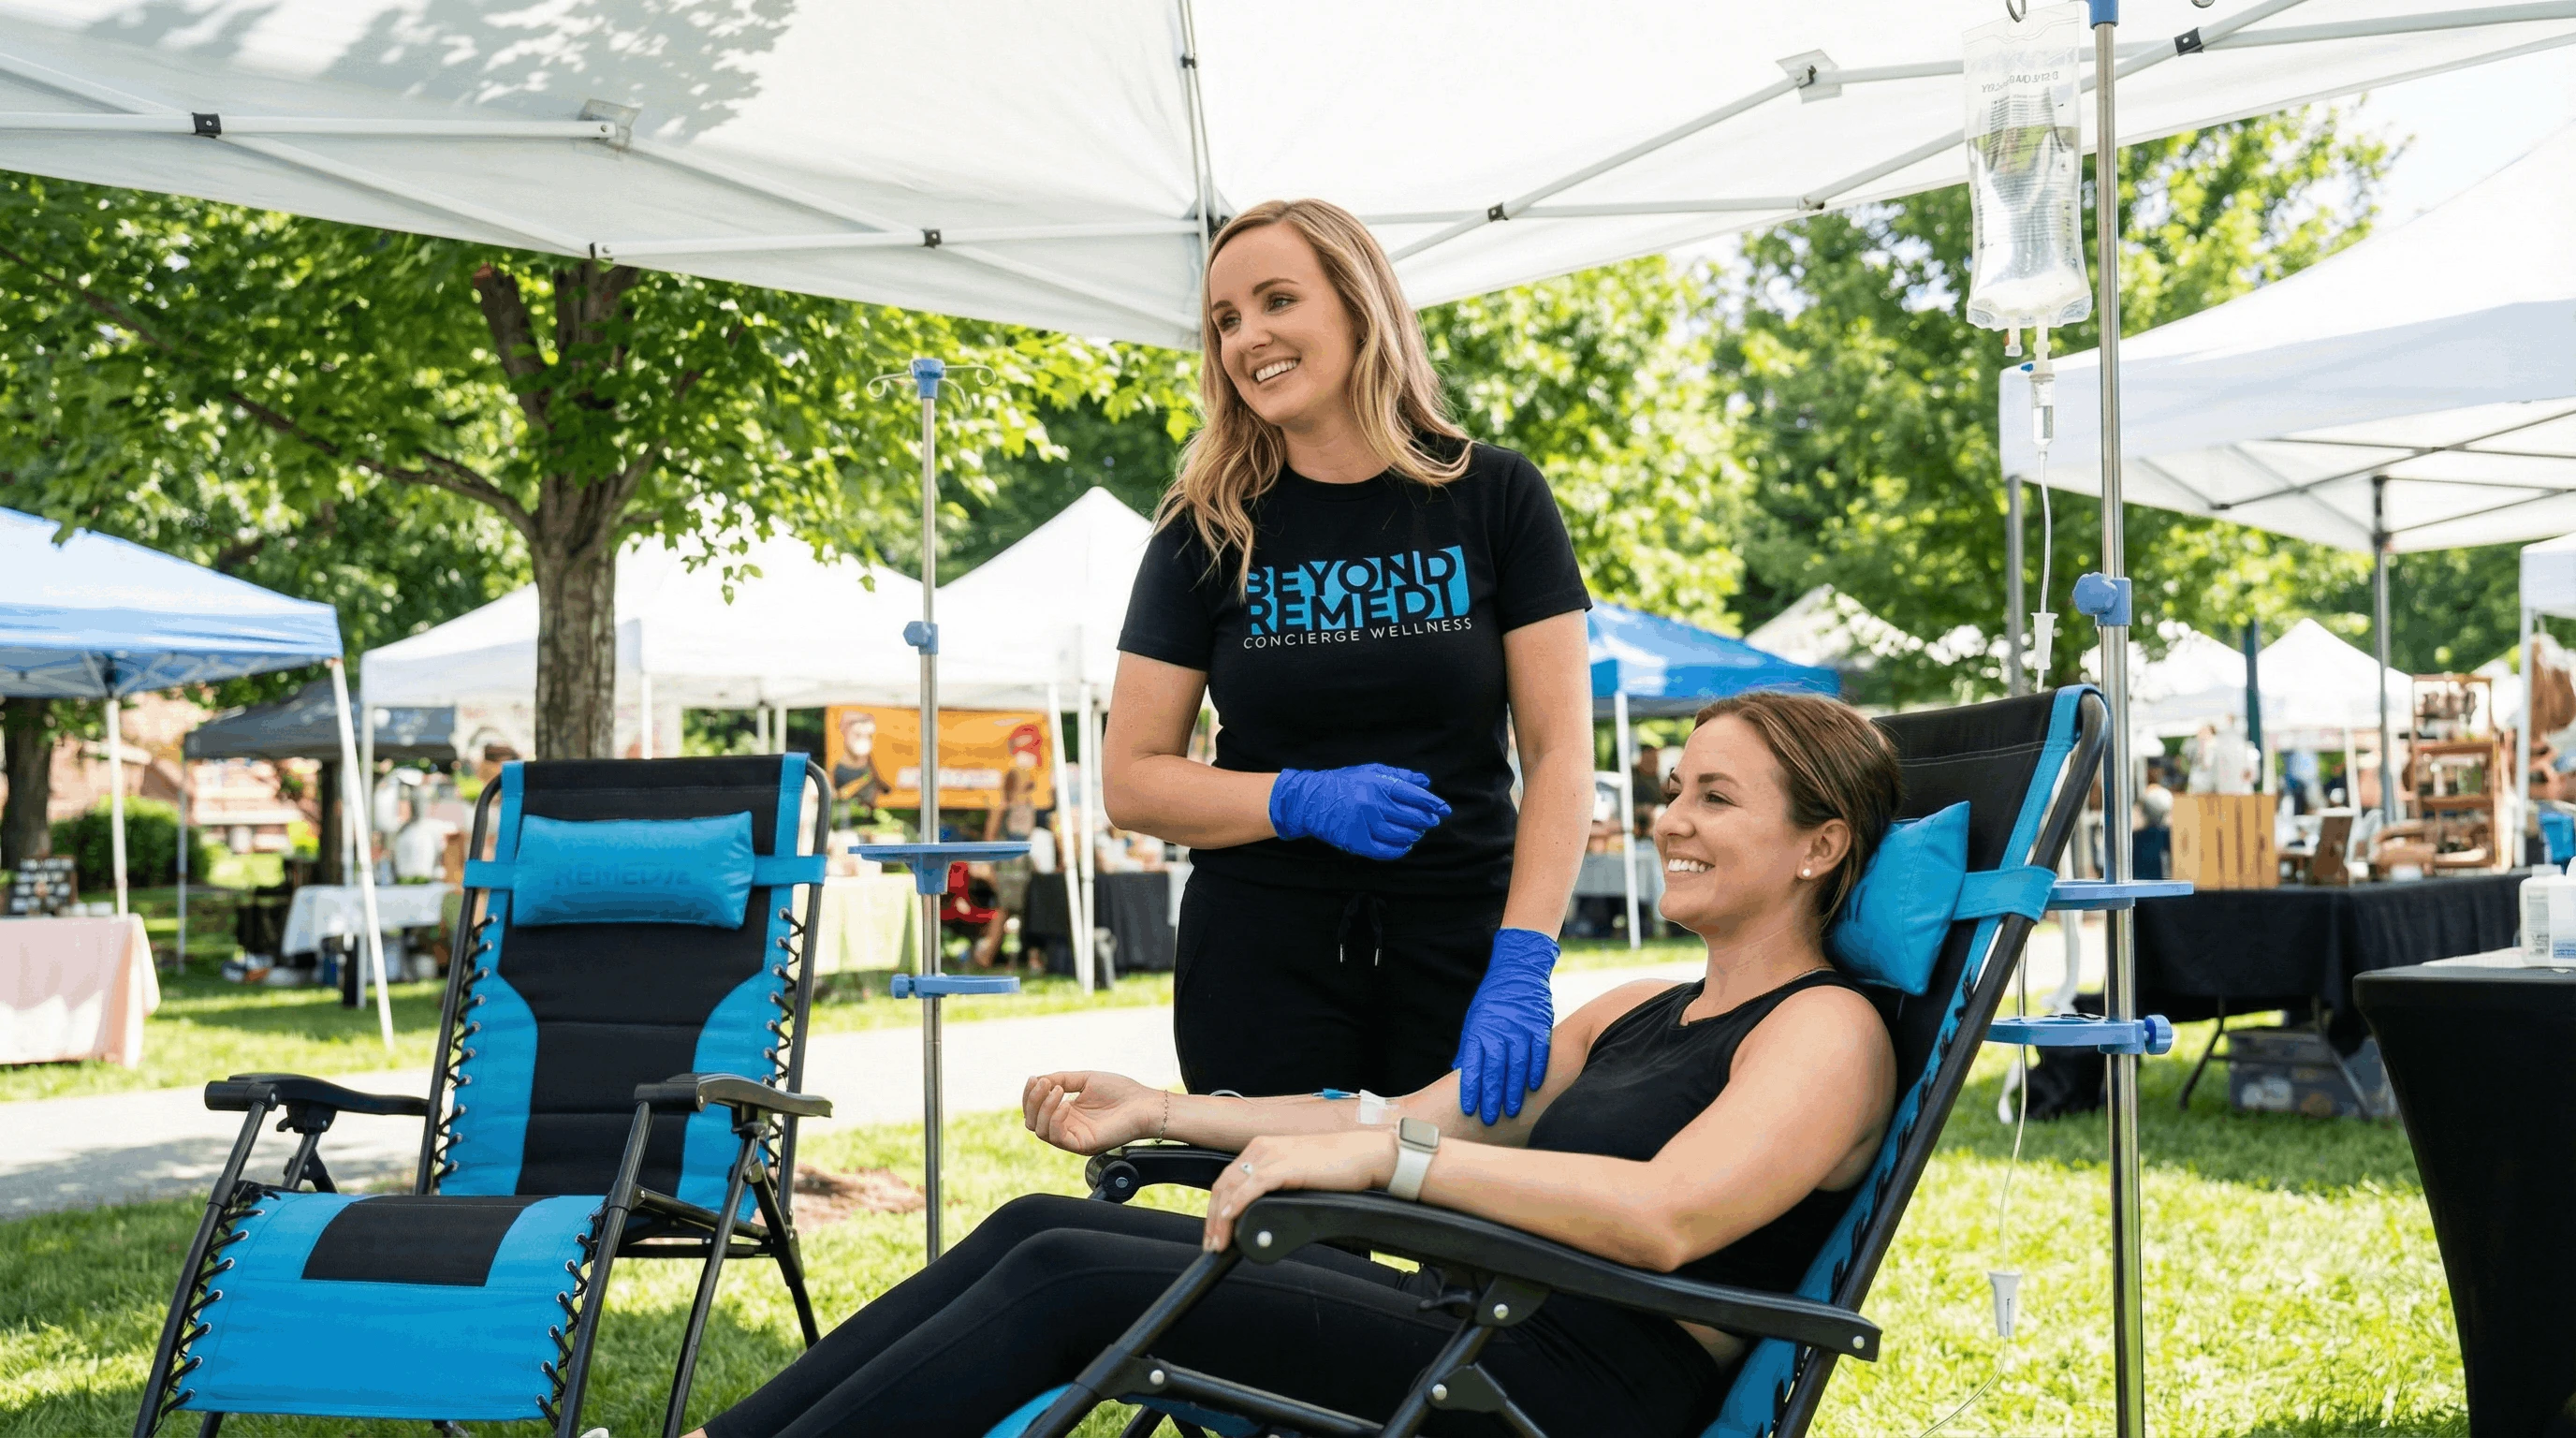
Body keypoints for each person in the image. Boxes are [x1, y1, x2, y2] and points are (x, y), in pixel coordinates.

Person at [685, 691, 1901, 1438]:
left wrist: (1402, 1167)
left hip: (1564, 1389)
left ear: (1820, 846)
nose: (1672, 820)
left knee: (1066, 1279)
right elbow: (1396, 1113)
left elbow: (1668, 1219)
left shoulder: (1826, 1031)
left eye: (1717, 800)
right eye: (1675, 789)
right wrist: (1159, 1107)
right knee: (1034, 1228)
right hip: (1471, 1320)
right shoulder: (1637, 1010)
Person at [1105, 198, 1594, 1124]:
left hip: (1462, 942)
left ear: (1360, 305)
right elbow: (1132, 781)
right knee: (1294, 1258)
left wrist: (1524, 959)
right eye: (1225, 321)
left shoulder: (1496, 496)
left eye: (1277, 300)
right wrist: (1293, 798)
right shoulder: (1202, 526)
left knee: (1460, 1242)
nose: (1248, 337)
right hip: (1260, 954)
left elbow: (1562, 754)